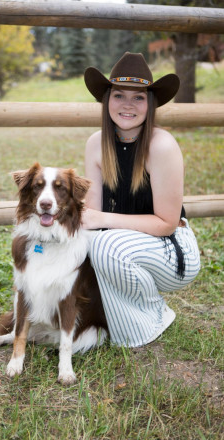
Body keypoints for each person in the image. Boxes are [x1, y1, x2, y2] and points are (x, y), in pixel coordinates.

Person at [82, 52, 200, 347]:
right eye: (119, 95)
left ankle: (156, 311)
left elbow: (167, 224)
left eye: (139, 98)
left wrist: (103, 221)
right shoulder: (96, 144)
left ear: (151, 104)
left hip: (172, 250)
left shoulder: (161, 145)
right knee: (90, 244)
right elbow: (90, 214)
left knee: (106, 246)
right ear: (107, 99)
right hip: (123, 244)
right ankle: (119, 323)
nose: (127, 105)